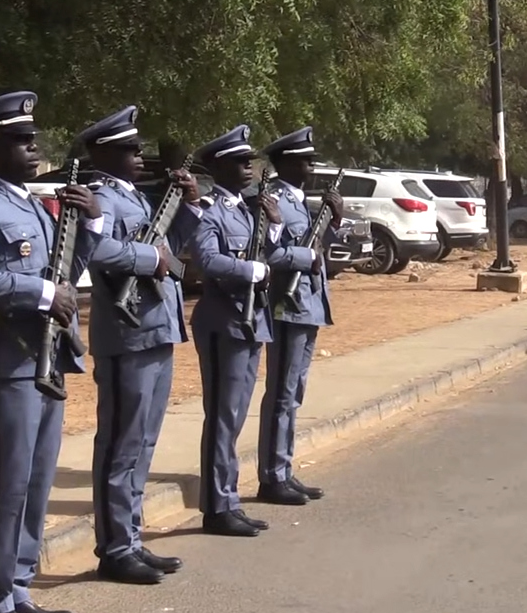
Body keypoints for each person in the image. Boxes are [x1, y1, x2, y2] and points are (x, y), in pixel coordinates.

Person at [0, 91, 105, 613]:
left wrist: (93, 226)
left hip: (46, 358)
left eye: (31, 136)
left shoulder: (31, 204)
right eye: (18, 138)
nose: (32, 146)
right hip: (6, 360)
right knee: (7, 484)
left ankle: (17, 589)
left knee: (36, 482)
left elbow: (66, 274)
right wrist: (35, 291)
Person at [78, 106, 203, 585]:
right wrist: (149, 255)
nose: (138, 156)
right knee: (121, 445)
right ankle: (114, 548)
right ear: (103, 153)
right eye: (128, 149)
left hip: (156, 328)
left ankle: (130, 538)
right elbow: (98, 251)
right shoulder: (101, 198)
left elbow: (171, 248)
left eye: (137, 147)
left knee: (144, 443)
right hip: (127, 333)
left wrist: (189, 206)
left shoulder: (135, 197)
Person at [187, 125, 283, 537]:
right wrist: (250, 269)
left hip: (249, 321)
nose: (249, 167)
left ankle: (229, 498)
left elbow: (267, 250)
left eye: (249, 160)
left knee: (236, 414)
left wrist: (274, 227)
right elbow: (205, 260)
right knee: (223, 417)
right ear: (221, 167)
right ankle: (216, 506)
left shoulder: (246, 209)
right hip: (223, 320)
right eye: (240, 161)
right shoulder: (211, 211)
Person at [256, 126, 343, 506]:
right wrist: (305, 257)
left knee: (294, 394)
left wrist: (334, 221)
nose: (311, 166)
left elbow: (320, 249)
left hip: (308, 305)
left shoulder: (299, 199)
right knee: (281, 393)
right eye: (306, 160)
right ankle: (272, 476)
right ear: (287, 162)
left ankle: (284, 469)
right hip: (286, 306)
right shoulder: (272, 200)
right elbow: (266, 254)